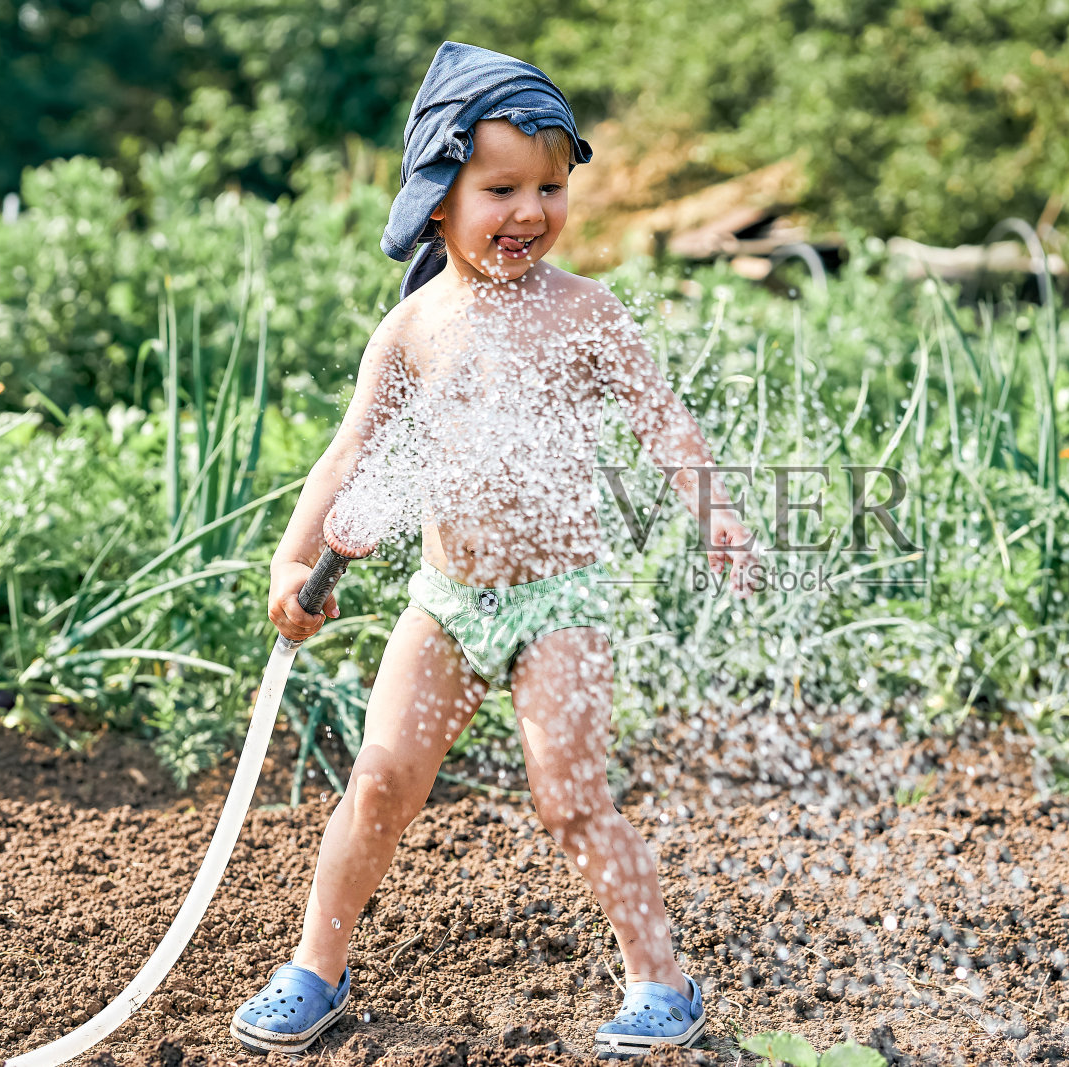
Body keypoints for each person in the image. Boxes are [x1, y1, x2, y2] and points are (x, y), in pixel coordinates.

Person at [230, 41, 758, 1060]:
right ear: (439, 197)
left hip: (560, 596)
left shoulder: (585, 314)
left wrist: (715, 512)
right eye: (500, 187)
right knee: (379, 778)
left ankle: (661, 979)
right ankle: (314, 967)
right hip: (445, 600)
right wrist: (289, 563)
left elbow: (664, 421)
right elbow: (350, 454)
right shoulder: (414, 327)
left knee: (569, 796)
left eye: (550, 187)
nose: (529, 211)